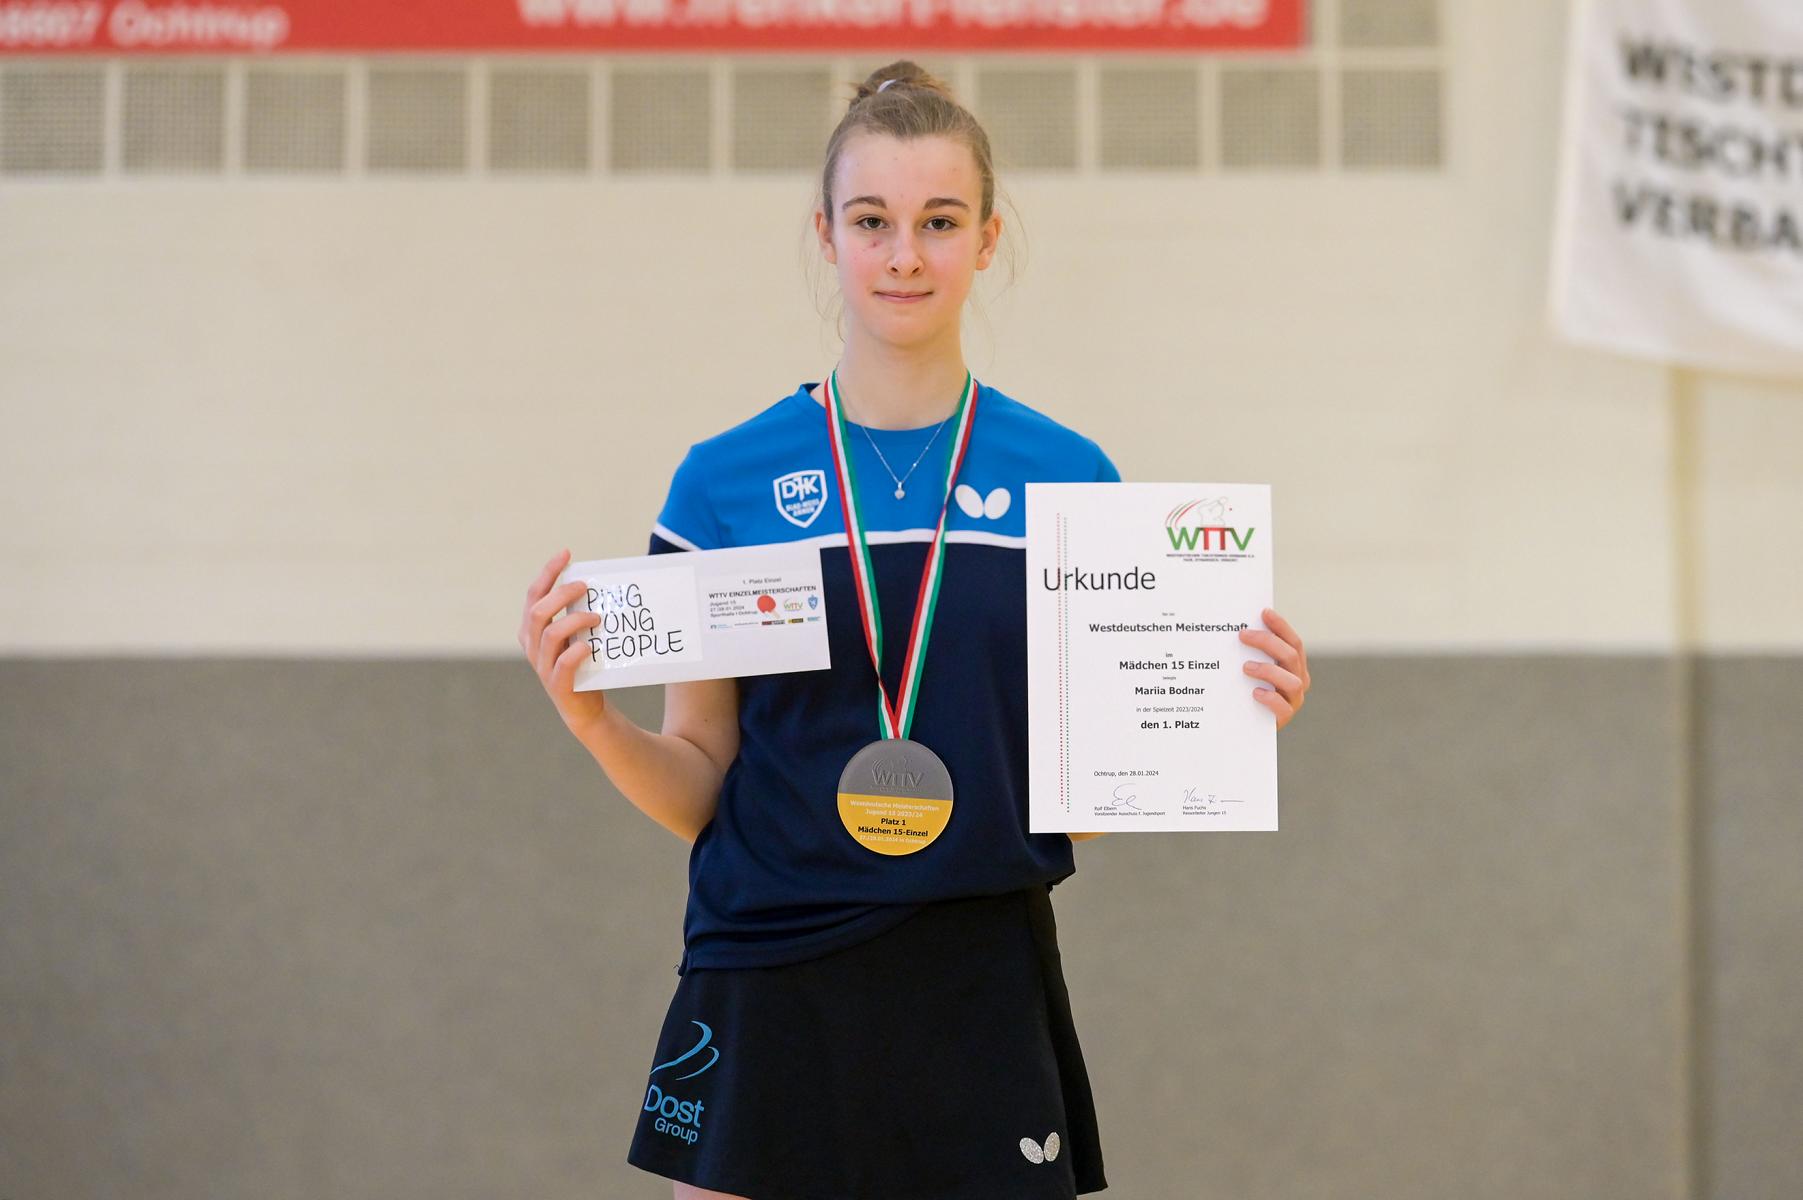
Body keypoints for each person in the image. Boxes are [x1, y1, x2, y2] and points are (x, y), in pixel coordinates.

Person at [517, 60, 1312, 1200]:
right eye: (871, 221)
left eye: (938, 222)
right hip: (768, 969)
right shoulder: (723, 486)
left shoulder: (1071, 482)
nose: (903, 254)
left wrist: (1218, 718)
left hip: (976, 971)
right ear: (825, 235)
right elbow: (701, 781)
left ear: (986, 240)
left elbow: (1079, 797)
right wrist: (594, 724)